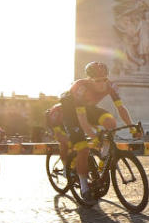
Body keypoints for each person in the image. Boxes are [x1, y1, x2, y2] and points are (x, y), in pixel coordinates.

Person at [60, 62, 141, 203]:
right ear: (90, 80)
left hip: (88, 108)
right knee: (83, 149)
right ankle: (84, 187)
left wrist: (131, 126)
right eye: (98, 81)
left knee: (111, 122)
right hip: (71, 113)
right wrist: (93, 137)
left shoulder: (110, 85)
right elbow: (82, 120)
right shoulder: (80, 88)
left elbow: (121, 108)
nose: (102, 83)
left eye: (104, 79)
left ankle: (103, 158)